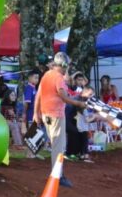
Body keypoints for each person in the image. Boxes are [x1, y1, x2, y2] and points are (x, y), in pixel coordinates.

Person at [34, 52, 88, 187]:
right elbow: (64, 97)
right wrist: (79, 104)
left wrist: (36, 113)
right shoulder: (58, 78)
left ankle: (57, 173)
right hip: (56, 115)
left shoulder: (47, 75)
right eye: (67, 65)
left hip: (46, 114)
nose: (67, 68)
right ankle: (57, 175)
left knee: (55, 144)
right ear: (63, 65)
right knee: (58, 147)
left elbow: (39, 95)